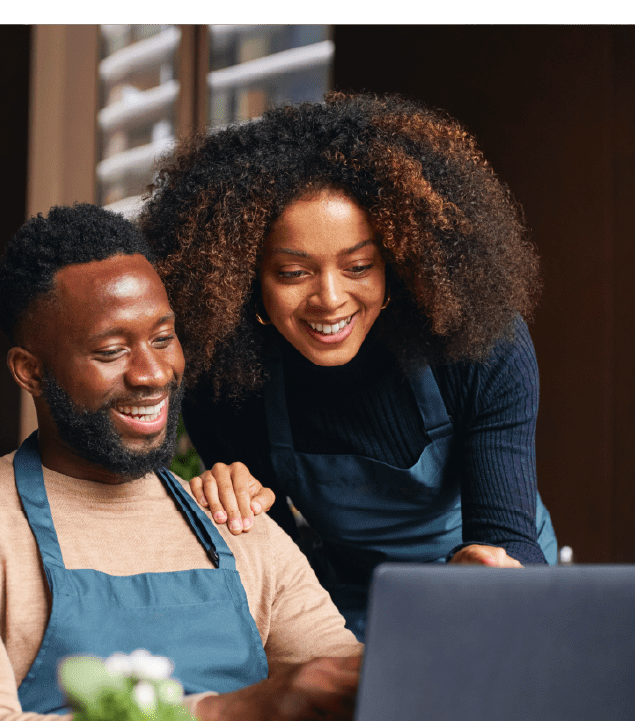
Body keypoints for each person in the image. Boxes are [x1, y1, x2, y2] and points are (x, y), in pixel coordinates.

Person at [0, 203, 360, 721]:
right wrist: (218, 718)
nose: (153, 373)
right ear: (30, 371)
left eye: (163, 338)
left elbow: (346, 690)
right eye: (112, 351)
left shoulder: (235, 518)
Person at [138, 92, 558, 639]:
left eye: (359, 265)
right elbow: (280, 570)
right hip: (353, 601)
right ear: (245, 282)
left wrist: (486, 574)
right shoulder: (226, 380)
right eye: (293, 273)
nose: (330, 299)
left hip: (496, 586)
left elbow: (509, 536)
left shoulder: (480, 346)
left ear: (397, 263)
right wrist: (231, 505)